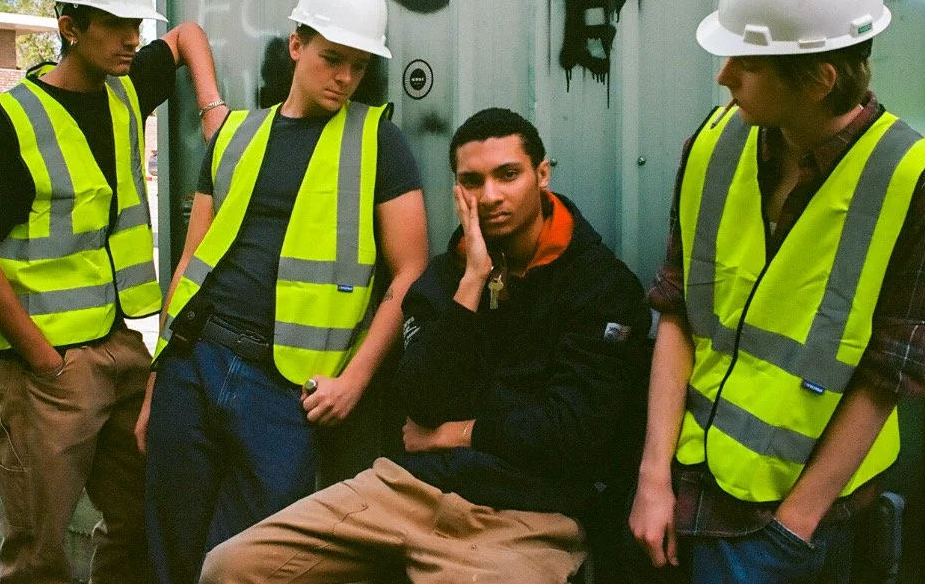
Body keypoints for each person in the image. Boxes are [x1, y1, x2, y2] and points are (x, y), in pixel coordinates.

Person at [627, 0, 925, 583]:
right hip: (680, 495)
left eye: (746, 64)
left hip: (790, 529)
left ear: (818, 78)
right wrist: (651, 478)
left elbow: (890, 373)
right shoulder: (714, 142)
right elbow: (676, 307)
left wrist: (794, 527)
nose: (722, 76)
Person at [198, 107, 652, 584]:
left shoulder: (601, 286)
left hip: (531, 516)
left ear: (542, 175)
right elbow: (421, 398)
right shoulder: (445, 280)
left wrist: (452, 435)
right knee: (232, 568)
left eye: (508, 175)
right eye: (473, 181)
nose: (491, 195)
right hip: (410, 491)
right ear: (457, 191)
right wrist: (473, 282)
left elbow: (573, 430)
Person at [138, 0, 429, 584]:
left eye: (358, 64)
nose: (345, 77)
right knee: (170, 547)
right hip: (193, 364)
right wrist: (155, 382)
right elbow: (190, 265)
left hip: (284, 391)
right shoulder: (236, 134)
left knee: (252, 564)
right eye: (332, 58)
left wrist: (353, 382)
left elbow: (411, 275)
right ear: (297, 45)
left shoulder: (380, 141)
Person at [0, 0, 225, 584]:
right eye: (117, 25)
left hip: (121, 351)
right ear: (70, 28)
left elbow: (186, 37)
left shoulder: (124, 91)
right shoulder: (9, 123)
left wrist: (212, 114)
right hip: (45, 372)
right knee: (38, 552)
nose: (133, 40)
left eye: (136, 26)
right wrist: (45, 360)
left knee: (135, 525)